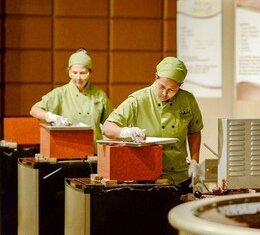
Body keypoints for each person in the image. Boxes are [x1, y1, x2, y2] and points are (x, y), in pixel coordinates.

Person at [102, 57, 203, 194]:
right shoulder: (139, 99)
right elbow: (108, 127)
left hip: (179, 176)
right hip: (145, 179)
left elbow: (194, 131)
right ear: (156, 77)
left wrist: (194, 162)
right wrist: (125, 132)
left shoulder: (188, 100)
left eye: (172, 90)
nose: (164, 93)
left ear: (180, 86)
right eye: (161, 86)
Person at [30, 48, 114, 152]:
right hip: (67, 152)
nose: (78, 77)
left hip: (94, 153)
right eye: (74, 73)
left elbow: (111, 123)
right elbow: (34, 110)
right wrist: (52, 117)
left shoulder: (100, 95)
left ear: (90, 72)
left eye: (83, 73)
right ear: (69, 72)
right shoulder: (60, 93)